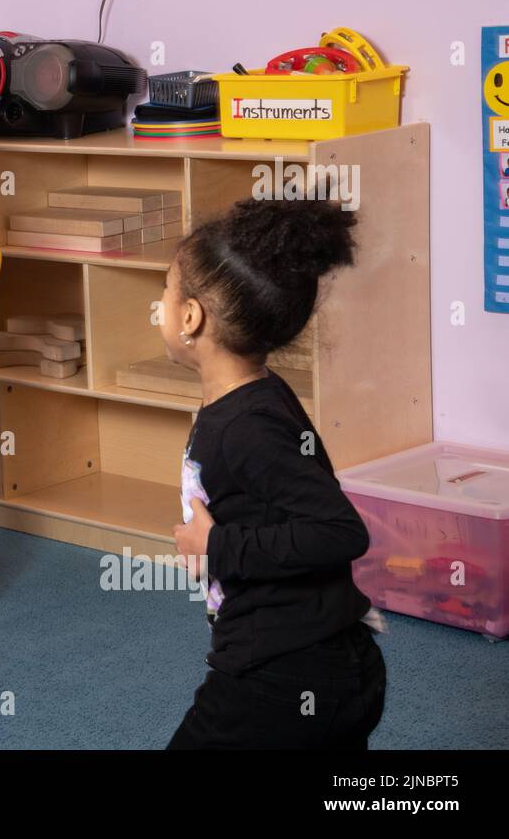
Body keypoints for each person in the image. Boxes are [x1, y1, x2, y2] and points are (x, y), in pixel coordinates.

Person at [163, 194, 386, 749]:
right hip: (320, 663)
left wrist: (218, 547)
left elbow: (340, 532)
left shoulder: (247, 427)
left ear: (191, 317)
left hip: (282, 678)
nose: (160, 305)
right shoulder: (253, 397)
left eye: (165, 292)